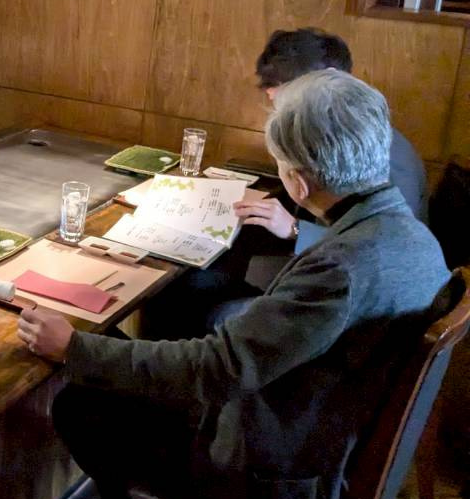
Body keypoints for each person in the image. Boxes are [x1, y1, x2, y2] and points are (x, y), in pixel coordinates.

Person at [18, 70, 451, 499]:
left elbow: (216, 369)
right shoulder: (414, 238)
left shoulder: (341, 269)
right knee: (158, 343)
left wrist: (74, 347)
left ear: (298, 183)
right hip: (318, 440)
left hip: (275, 480)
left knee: (82, 405)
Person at [146, 27, 428, 338]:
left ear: (329, 80)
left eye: (287, 99)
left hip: (343, 317)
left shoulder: (387, 161)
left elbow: (381, 248)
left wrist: (295, 229)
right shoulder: (347, 135)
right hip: (339, 298)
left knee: (193, 295)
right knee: (192, 279)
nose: (279, 110)